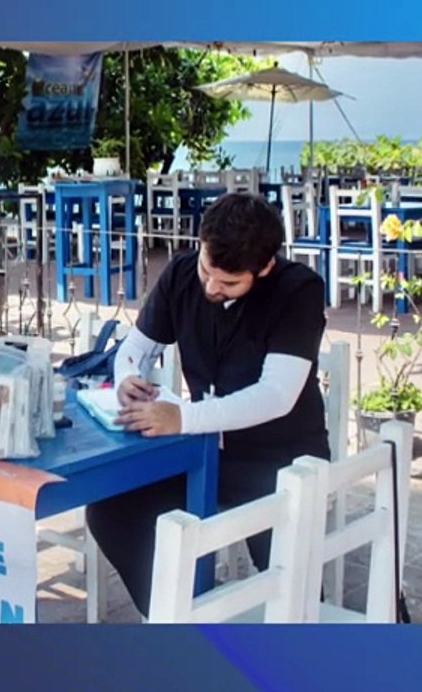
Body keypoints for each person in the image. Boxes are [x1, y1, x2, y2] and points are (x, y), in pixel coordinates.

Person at [85, 192, 330, 619]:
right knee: (112, 509)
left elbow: (276, 395)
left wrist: (183, 417)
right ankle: (177, 614)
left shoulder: (297, 290)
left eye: (229, 282)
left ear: (265, 267)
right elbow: (132, 350)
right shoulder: (183, 273)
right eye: (207, 271)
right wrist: (127, 378)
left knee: (290, 582)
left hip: (282, 459)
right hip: (201, 456)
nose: (211, 287)